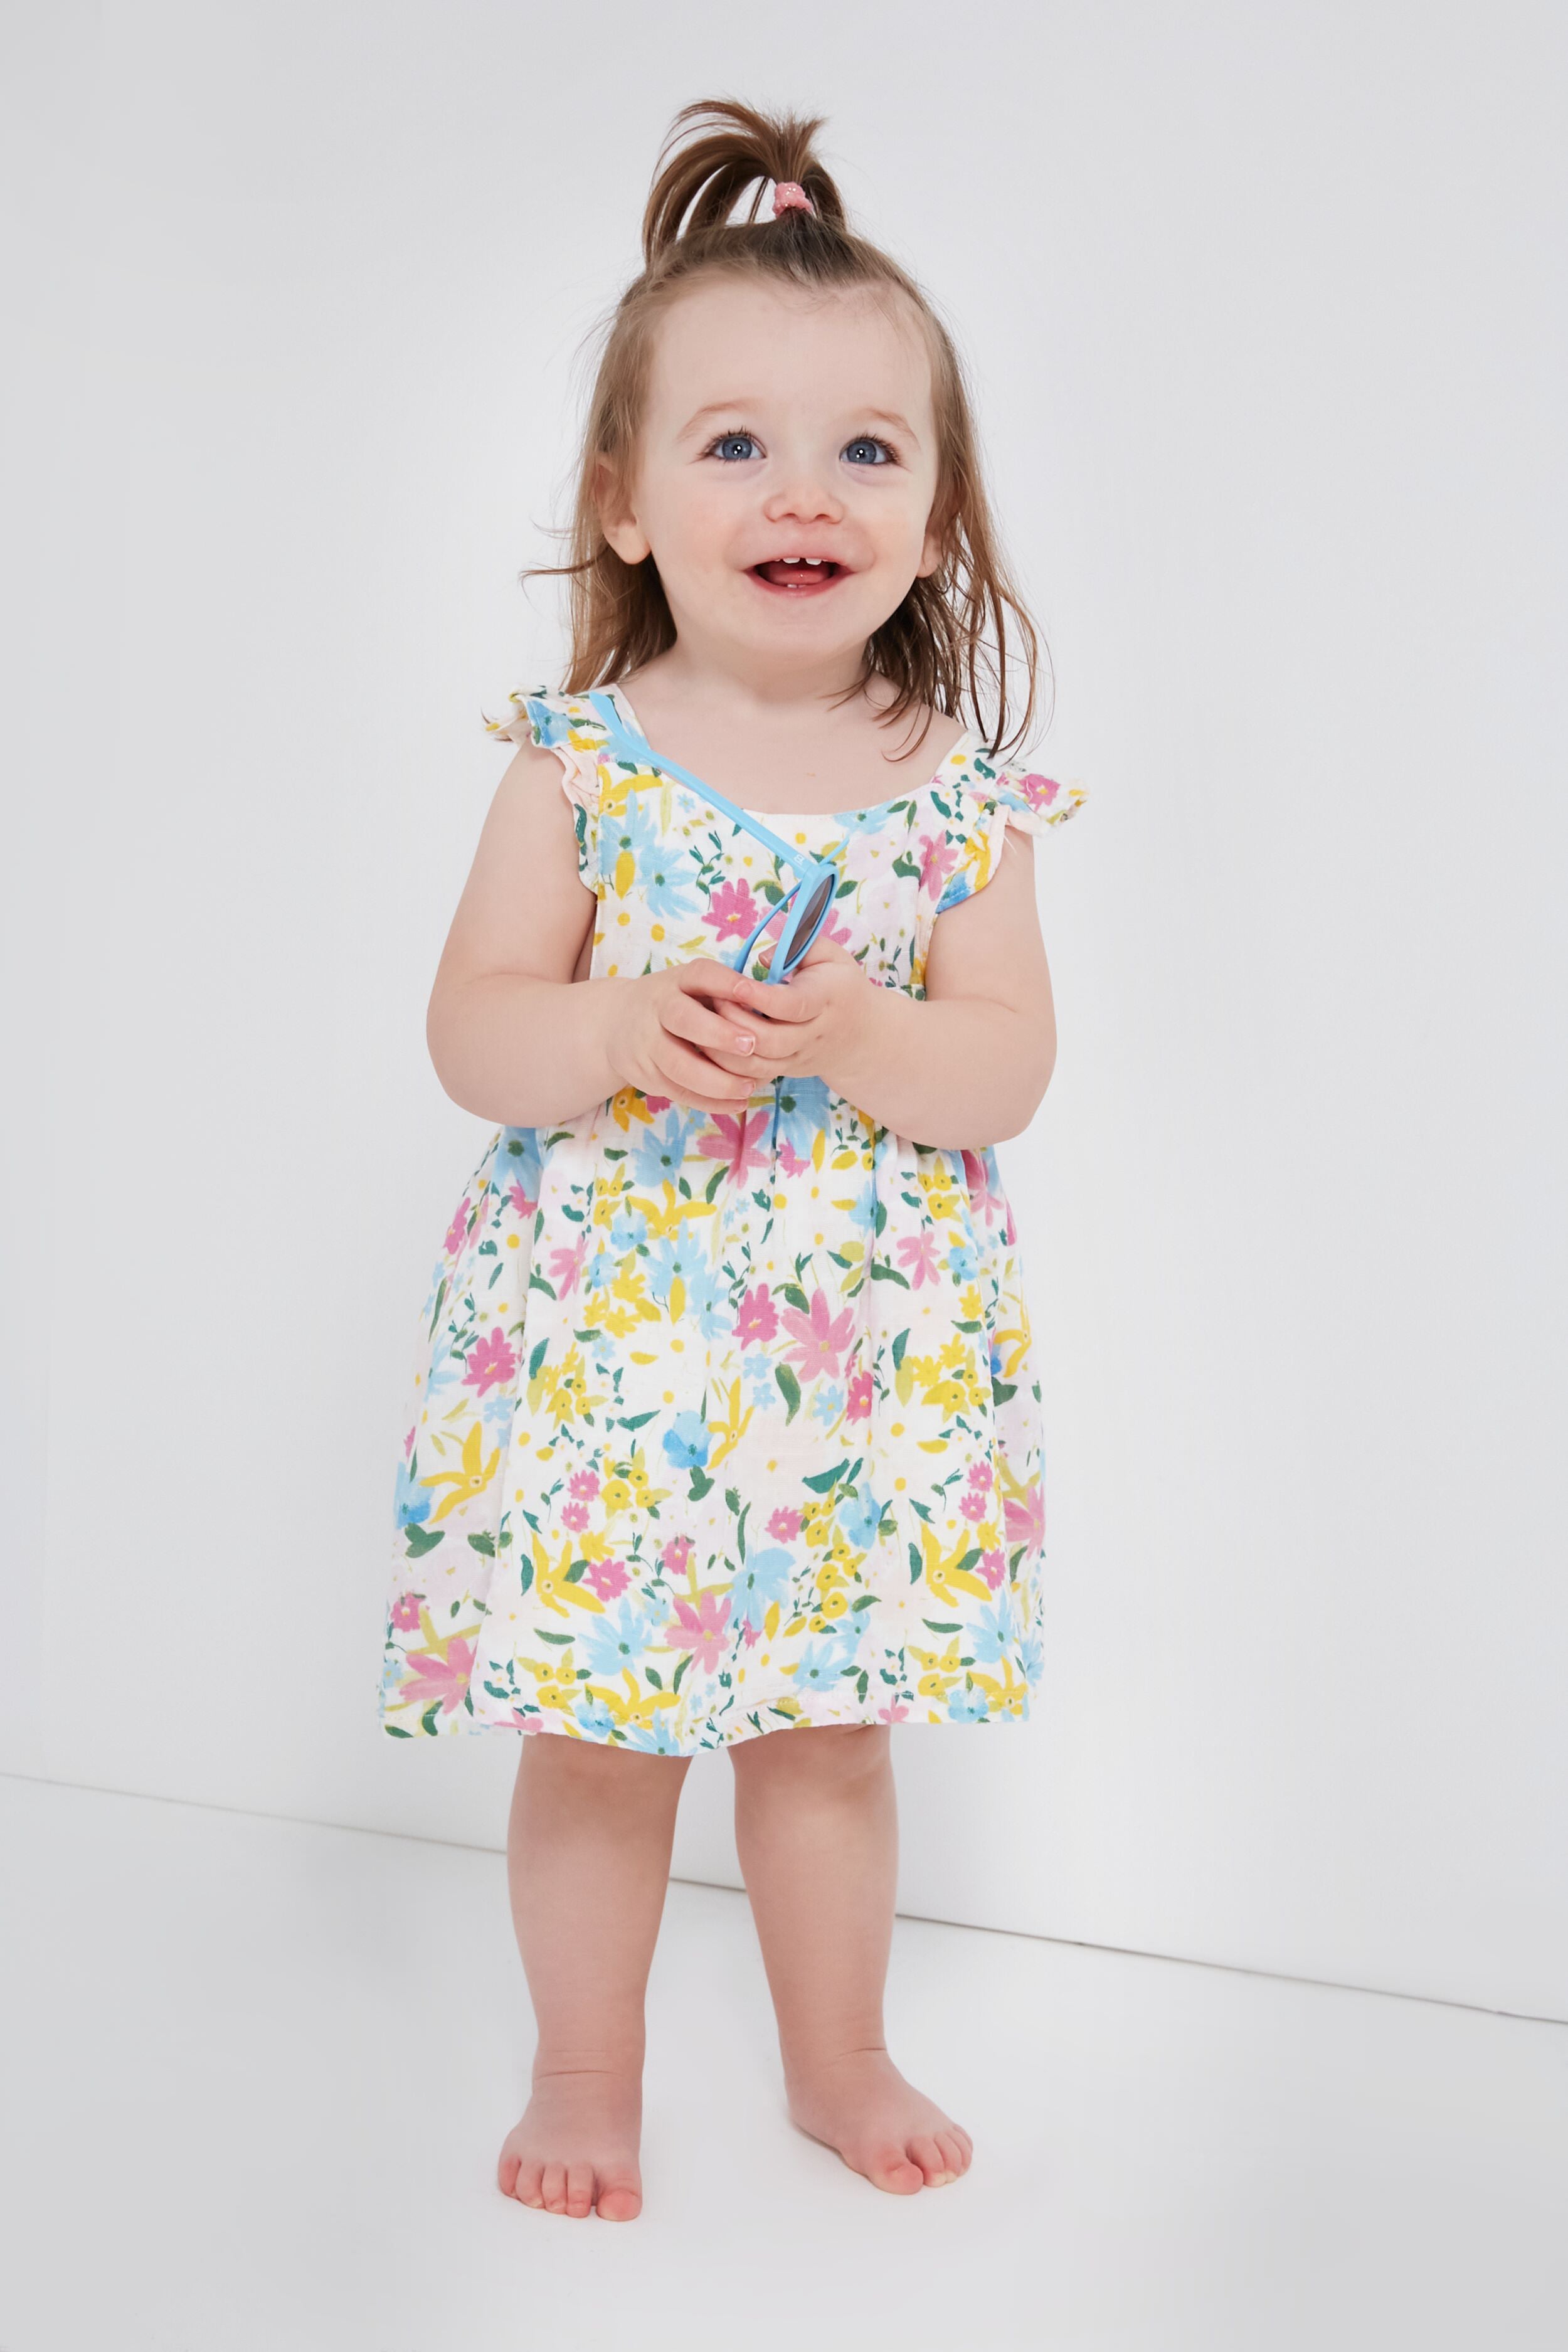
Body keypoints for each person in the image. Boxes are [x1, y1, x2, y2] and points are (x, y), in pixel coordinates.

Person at [379, 95, 1089, 2224]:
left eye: (867, 449)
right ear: (621, 502)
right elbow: (472, 1031)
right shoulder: (578, 766)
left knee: (828, 1735)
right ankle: (584, 2070)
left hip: (861, 1373)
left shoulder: (955, 793)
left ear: (939, 519)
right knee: (601, 1741)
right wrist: (609, 1030)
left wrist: (869, 1035)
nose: (803, 493)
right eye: (733, 445)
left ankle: (836, 2054)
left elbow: (1007, 1072)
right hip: (614, 1350)